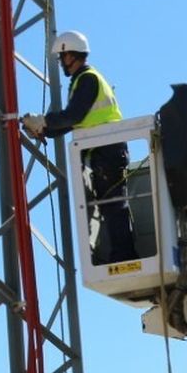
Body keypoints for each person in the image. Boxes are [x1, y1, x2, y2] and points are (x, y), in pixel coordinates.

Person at [22, 31, 137, 265]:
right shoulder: (83, 80)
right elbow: (74, 122)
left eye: (62, 57)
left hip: (107, 148)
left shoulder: (87, 79)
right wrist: (44, 129)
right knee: (110, 204)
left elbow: (73, 116)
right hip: (105, 149)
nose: (61, 62)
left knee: (113, 204)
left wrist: (43, 122)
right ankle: (121, 254)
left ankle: (124, 256)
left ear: (72, 55)